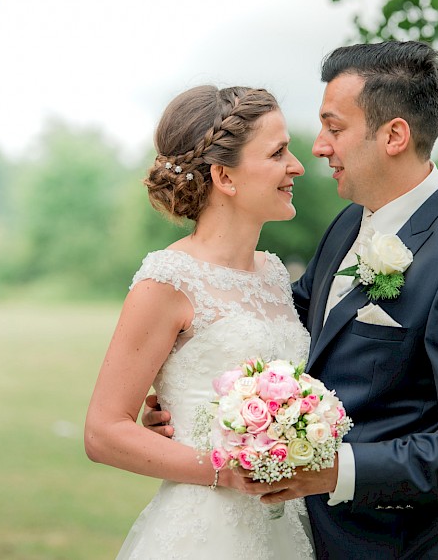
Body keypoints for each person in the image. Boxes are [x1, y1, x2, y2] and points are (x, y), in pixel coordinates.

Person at [146, 41, 438, 559]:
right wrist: (200, 414)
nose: (319, 147)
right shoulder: (349, 223)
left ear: (393, 135)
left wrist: (337, 470)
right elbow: (279, 331)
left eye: (334, 127)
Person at [84, 85, 314, 559]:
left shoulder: (273, 275)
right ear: (224, 177)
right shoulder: (168, 279)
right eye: (278, 153)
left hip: (287, 524)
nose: (297, 166)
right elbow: (104, 430)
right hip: (205, 531)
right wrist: (223, 468)